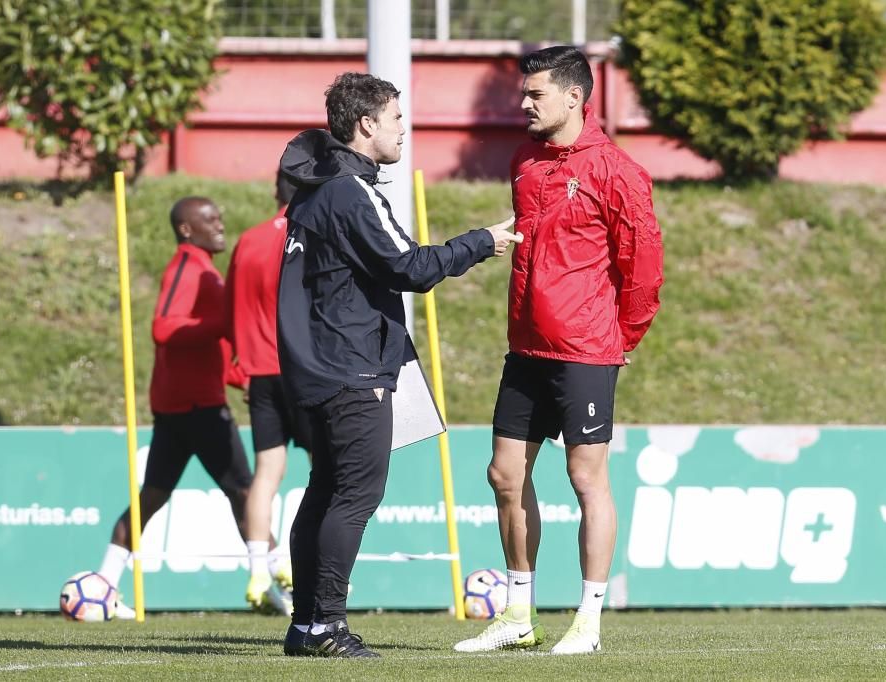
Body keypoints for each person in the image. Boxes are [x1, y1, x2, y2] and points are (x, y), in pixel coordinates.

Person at [276, 72, 522, 658]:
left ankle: (307, 625)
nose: (403, 129)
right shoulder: (347, 191)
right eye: (395, 119)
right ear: (366, 125)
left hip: (316, 367)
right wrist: (482, 241)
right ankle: (326, 625)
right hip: (350, 368)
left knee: (325, 492)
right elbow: (409, 266)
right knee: (355, 496)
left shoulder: (313, 190)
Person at [454, 46, 664, 655]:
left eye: (535, 94)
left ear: (575, 97)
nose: (523, 104)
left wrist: (617, 340)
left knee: (584, 475)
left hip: (586, 352)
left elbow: (643, 270)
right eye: (524, 93)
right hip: (525, 349)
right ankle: (519, 613)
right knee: (504, 474)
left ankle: (589, 622)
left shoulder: (617, 170)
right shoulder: (524, 162)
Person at [98, 197, 254, 619]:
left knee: (153, 498)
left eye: (221, 217)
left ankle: (102, 585)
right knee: (247, 493)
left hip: (183, 404)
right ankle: (274, 585)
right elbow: (164, 328)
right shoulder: (187, 265)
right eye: (210, 220)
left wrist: (243, 377)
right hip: (196, 408)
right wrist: (223, 324)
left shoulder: (203, 266)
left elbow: (208, 350)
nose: (220, 226)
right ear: (187, 229)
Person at [225, 172, 316, 615]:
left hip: (260, 372)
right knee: (327, 473)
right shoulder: (310, 239)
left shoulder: (248, 241)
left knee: (267, 474)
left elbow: (231, 308)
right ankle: (316, 570)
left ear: (276, 191)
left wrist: (239, 364)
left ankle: (259, 568)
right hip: (304, 369)